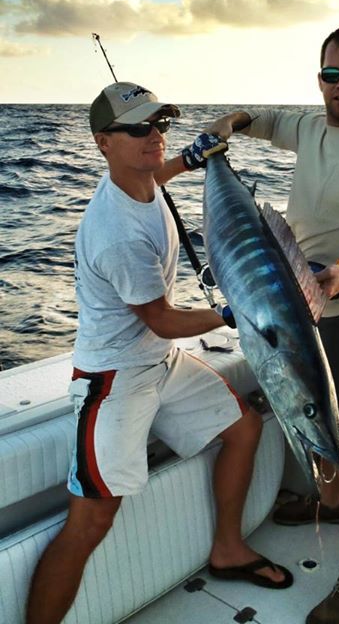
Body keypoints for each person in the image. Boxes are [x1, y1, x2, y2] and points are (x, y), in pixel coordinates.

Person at [25, 81, 292, 624]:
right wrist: (235, 312)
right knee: (91, 523)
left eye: (162, 124)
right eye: (140, 128)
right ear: (103, 142)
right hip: (115, 378)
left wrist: (186, 163)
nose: (155, 137)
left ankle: (227, 549)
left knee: (244, 429)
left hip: (159, 362)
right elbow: (165, 320)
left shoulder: (140, 180)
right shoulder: (116, 232)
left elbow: (153, 177)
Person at [203, 24, 339, 624]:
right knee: (305, 409)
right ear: (319, 78)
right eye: (332, 75)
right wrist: (228, 126)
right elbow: (264, 120)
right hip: (292, 302)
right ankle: (324, 498)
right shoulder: (311, 126)